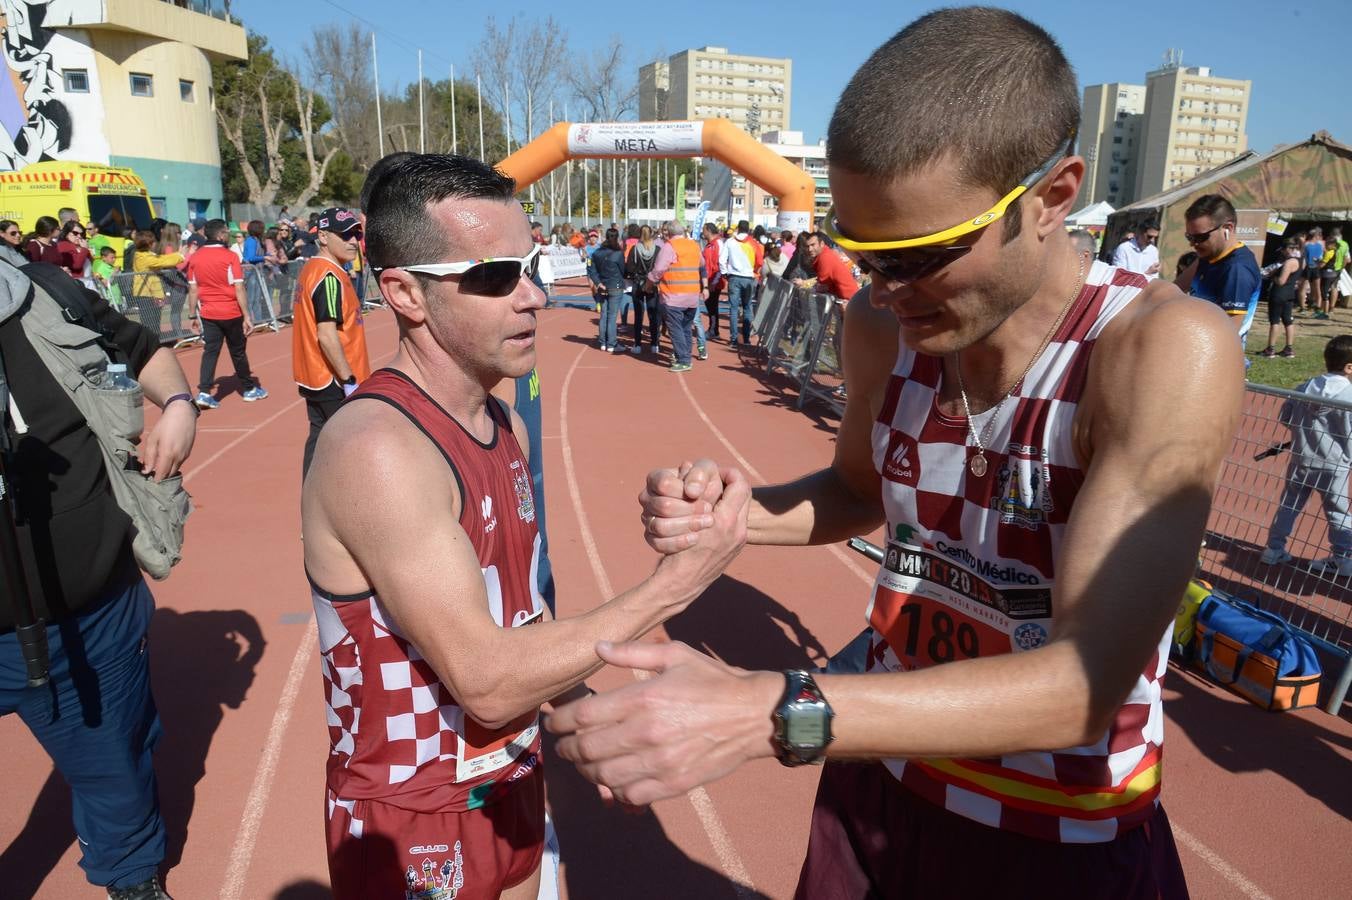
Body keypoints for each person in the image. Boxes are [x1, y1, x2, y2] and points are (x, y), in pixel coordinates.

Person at [548, 9, 1244, 898]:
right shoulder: (882, 327)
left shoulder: (1160, 349)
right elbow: (858, 490)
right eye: (862, 253)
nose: (885, 290)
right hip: (879, 778)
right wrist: (739, 517)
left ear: (1054, 195)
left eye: (922, 255)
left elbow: (1085, 682)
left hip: (1055, 830)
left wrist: (770, 706)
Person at [302, 152, 748, 900]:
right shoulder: (378, 449)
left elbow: (521, 609)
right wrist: (675, 587)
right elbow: (485, 680)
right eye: (494, 275)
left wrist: (584, 719)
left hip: (507, 774)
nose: (534, 295)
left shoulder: (498, 415)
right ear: (405, 292)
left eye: (532, 265)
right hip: (412, 811)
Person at [1, 254, 198, 900]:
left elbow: (145, 350)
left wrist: (178, 405)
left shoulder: (44, 291)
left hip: (90, 615)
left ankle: (133, 882)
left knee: (117, 767)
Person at [1260, 334, 1352, 577]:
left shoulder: (1305, 387)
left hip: (1302, 458)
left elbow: (1285, 416)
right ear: (1349, 367)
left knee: (1289, 504)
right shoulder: (1349, 396)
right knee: (1338, 512)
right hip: (1334, 465)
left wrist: (1301, 434)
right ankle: (1343, 558)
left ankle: (1273, 549)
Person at [292, 207, 371, 479]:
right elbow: (327, 334)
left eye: (356, 234)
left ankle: (312, 500)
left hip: (315, 376)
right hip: (332, 380)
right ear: (323, 237)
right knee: (351, 445)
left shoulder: (313, 269)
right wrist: (348, 379)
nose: (353, 241)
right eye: (345, 235)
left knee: (319, 439)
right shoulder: (328, 276)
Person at [187, 219, 266, 408]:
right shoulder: (230, 257)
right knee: (237, 352)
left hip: (208, 313)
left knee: (210, 352)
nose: (229, 235)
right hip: (230, 312)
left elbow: (193, 290)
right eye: (227, 232)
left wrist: (192, 315)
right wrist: (247, 315)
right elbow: (239, 288)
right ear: (221, 234)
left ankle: (204, 392)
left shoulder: (195, 258)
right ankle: (249, 389)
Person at [649, 220, 708, 372]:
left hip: (673, 295)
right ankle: (685, 356)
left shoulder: (669, 247)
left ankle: (683, 359)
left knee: (675, 329)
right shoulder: (693, 245)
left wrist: (649, 281)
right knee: (686, 328)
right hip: (692, 295)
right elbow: (701, 263)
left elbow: (659, 269)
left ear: (668, 232)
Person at [130, 229, 184, 339]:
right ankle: (151, 346)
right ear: (149, 244)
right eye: (153, 241)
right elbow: (162, 261)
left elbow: (162, 258)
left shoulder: (147, 254)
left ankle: (156, 342)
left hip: (153, 293)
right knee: (149, 322)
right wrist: (181, 256)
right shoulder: (143, 257)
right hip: (145, 294)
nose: (156, 243)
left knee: (155, 321)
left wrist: (177, 255)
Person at [719, 220, 759, 347]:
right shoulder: (753, 243)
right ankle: (746, 338)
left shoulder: (730, 241)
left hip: (734, 278)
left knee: (734, 308)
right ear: (748, 230)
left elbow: (721, 259)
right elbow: (759, 260)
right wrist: (753, 271)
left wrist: (725, 273)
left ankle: (734, 339)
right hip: (748, 278)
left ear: (738, 229)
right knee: (747, 307)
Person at [1260, 239, 1302, 358]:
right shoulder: (1299, 261)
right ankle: (1288, 348)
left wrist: (1271, 276)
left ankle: (1270, 349)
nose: (1282, 253)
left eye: (1283, 250)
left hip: (1279, 294)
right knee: (1288, 321)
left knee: (1275, 321)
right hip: (1289, 294)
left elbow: (1281, 281)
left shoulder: (1288, 263)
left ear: (1287, 249)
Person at [589, 227, 627, 352]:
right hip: (615, 286)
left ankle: (603, 342)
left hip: (602, 286)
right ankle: (612, 344)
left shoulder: (597, 253)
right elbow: (623, 270)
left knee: (604, 314)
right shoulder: (618, 253)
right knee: (612, 316)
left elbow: (592, 270)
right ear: (617, 238)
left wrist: (598, 283)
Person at [625, 225, 661, 354]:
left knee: (638, 315)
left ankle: (638, 344)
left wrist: (636, 274)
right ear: (652, 234)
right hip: (653, 284)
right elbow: (660, 267)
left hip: (638, 284)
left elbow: (629, 268)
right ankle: (655, 344)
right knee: (653, 315)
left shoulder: (634, 249)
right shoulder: (657, 250)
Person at [800, 230, 861, 303]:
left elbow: (823, 287)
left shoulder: (825, 257)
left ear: (822, 244)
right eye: (808, 246)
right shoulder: (825, 254)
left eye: (813, 245)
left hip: (847, 301)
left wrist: (806, 288)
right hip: (846, 299)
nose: (809, 249)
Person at [702, 222, 724, 339]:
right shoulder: (709, 245)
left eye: (704, 230)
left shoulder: (718, 244)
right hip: (708, 279)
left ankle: (714, 330)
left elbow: (720, 264)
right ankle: (713, 329)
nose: (702, 232)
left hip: (714, 280)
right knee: (710, 304)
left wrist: (714, 282)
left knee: (712, 305)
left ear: (709, 231)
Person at [1319, 227, 1348, 316]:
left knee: (1324, 290)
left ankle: (1324, 310)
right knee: (1334, 287)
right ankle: (1331, 308)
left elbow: (1324, 260)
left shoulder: (1330, 245)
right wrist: (1342, 268)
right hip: (1338, 269)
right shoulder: (1345, 244)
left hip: (1329, 269)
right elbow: (1346, 259)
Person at [1298, 227, 1324, 313]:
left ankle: (1302, 308)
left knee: (1303, 288)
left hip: (1307, 267)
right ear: (1316, 236)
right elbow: (1321, 257)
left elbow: (1301, 256)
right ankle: (1318, 308)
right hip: (1316, 267)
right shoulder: (1320, 245)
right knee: (1317, 289)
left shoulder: (1306, 244)